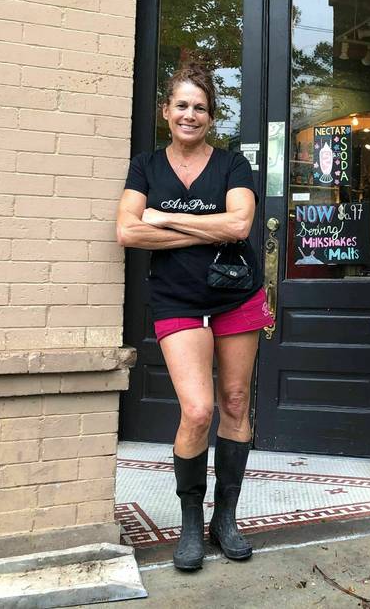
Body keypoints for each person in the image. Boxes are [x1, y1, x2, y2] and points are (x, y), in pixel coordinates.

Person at [116, 63, 273, 571]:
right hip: (176, 300)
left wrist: (164, 218)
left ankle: (223, 519)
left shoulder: (231, 165)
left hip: (236, 295)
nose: (190, 114)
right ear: (166, 111)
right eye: (181, 105)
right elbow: (129, 233)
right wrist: (210, 230)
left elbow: (242, 223)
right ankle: (189, 521)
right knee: (198, 409)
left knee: (234, 400)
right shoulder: (145, 166)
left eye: (200, 107)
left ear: (211, 116)